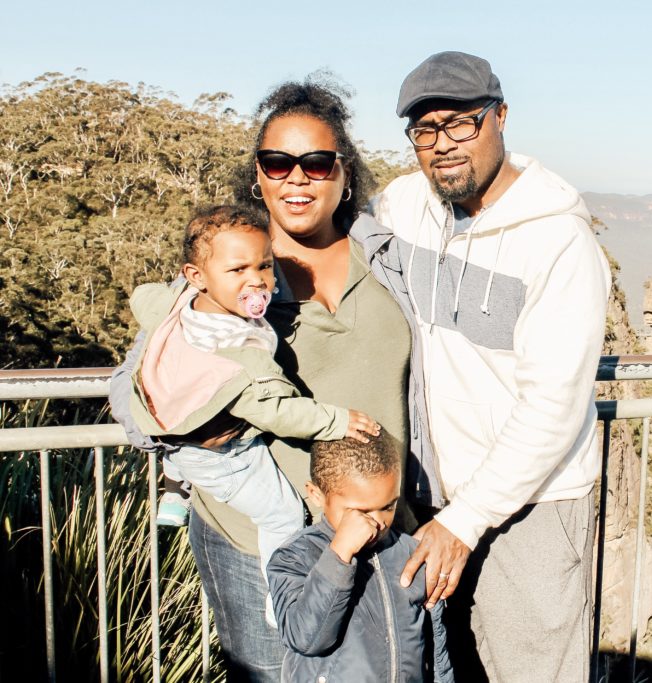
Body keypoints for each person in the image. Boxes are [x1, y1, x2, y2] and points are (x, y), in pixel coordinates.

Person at [110, 76, 411, 681]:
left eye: (316, 162)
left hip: (379, 528)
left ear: (344, 173)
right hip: (257, 539)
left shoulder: (388, 259)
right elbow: (131, 385)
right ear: (258, 174)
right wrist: (187, 433)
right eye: (278, 162)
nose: (296, 177)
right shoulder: (228, 274)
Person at [351, 51, 611, 682]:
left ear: (500, 116)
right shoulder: (403, 205)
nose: (443, 144)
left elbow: (553, 405)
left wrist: (465, 522)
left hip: (532, 509)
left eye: (461, 123)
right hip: (432, 497)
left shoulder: (559, 242)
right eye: (425, 130)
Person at [126, 204, 381, 622]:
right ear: (196, 275)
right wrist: (337, 420)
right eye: (238, 270)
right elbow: (276, 412)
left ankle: (175, 486)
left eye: (265, 266)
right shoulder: (242, 352)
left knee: (187, 435)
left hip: (179, 427)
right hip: (223, 456)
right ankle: (280, 596)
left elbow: (144, 298)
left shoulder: (183, 303)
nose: (256, 280)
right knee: (283, 513)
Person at [268, 431, 453, 683]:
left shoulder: (410, 553)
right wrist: (339, 555)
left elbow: (436, 643)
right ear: (316, 495)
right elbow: (306, 639)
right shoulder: (295, 557)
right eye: (361, 510)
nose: (378, 522)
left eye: (388, 506)